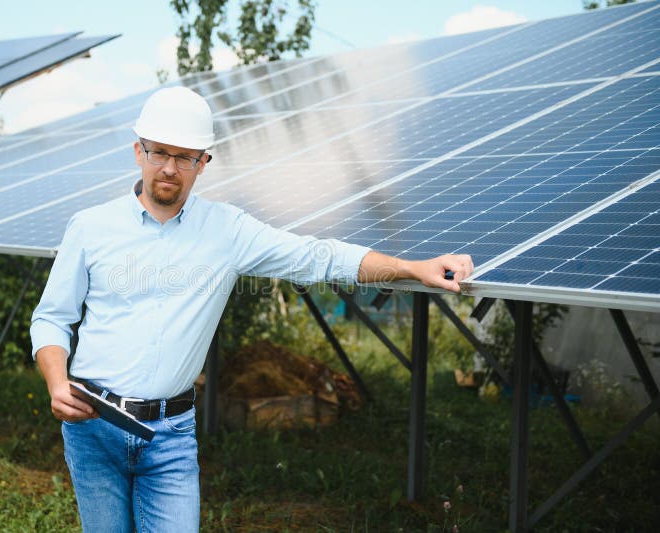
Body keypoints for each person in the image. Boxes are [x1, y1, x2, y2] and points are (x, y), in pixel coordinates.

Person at [30, 86, 473, 532]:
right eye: (158, 152)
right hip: (93, 427)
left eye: (185, 157)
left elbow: (318, 256)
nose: (169, 167)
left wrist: (412, 268)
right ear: (137, 151)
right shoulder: (91, 228)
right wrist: (55, 383)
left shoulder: (227, 231)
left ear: (204, 163)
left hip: (171, 438)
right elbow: (51, 317)